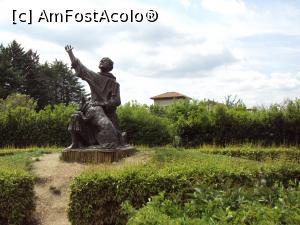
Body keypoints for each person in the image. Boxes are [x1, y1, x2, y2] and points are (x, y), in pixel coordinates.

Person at [65, 45, 122, 148]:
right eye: (101, 60)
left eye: (105, 61)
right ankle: (76, 143)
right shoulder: (95, 77)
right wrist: (70, 53)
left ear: (110, 67)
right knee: (75, 117)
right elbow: (81, 69)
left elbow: (117, 101)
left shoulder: (114, 84)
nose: (102, 61)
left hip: (107, 115)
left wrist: (102, 104)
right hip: (92, 111)